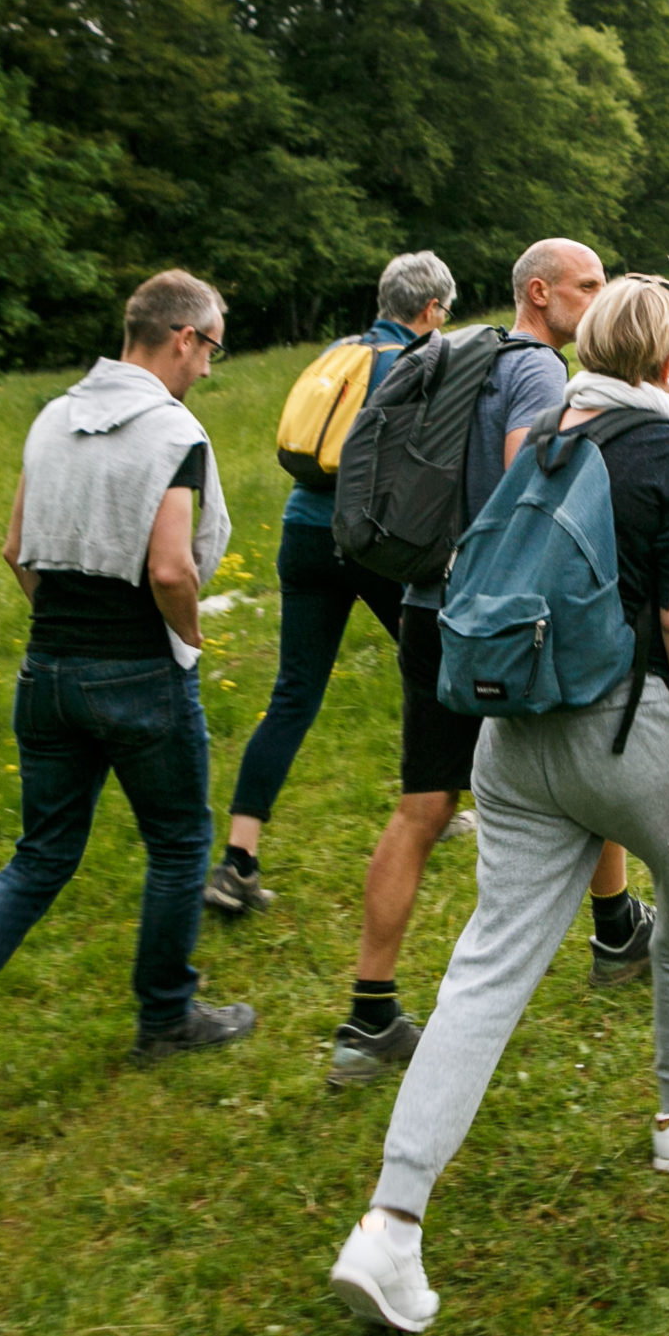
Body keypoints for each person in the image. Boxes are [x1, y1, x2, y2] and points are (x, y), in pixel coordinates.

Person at [330, 274, 669, 1334]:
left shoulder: (542, 428)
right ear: (667, 361)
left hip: (510, 734)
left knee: (484, 967)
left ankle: (390, 1222)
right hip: (624, 727)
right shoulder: (665, 447)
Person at [0, 271, 255, 1153]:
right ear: (185, 337)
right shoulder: (171, 431)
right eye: (214, 348)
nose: (209, 368)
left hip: (46, 669)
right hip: (137, 674)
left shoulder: (51, 417)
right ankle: (165, 1016)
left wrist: (63, 630)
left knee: (39, 857)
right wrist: (187, 638)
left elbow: (15, 549)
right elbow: (169, 567)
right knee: (177, 844)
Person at [330, 238, 655, 1088]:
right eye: (589, 287)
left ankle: (368, 1015)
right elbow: (529, 493)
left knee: (421, 806)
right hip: (507, 625)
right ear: (540, 293)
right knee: (587, 768)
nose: (600, 299)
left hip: (428, 612)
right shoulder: (541, 372)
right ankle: (617, 930)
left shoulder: (455, 353)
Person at [203, 251, 449, 918]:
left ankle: (237, 860)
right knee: (438, 662)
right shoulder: (414, 364)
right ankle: (436, 801)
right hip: (372, 540)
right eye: (443, 311)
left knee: (292, 695)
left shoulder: (339, 351)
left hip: (303, 533)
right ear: (429, 311)